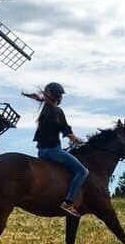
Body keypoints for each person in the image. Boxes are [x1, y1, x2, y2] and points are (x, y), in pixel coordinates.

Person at [23, 82, 88, 217]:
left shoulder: (45, 109)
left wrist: (33, 97)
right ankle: (68, 202)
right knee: (82, 171)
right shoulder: (57, 111)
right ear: (58, 96)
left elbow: (41, 99)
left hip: (41, 152)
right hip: (53, 151)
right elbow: (66, 130)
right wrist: (77, 140)